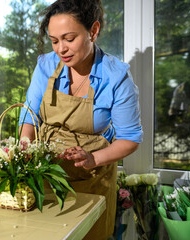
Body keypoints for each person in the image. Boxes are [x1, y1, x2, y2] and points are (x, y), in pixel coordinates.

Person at [19, 0, 143, 239]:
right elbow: (30, 116)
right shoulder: (45, 66)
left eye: (69, 38)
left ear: (93, 31)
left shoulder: (116, 77)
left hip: (92, 180)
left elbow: (130, 138)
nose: (60, 49)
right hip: (45, 174)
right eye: (54, 41)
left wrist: (93, 158)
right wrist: (23, 152)